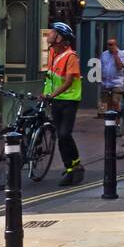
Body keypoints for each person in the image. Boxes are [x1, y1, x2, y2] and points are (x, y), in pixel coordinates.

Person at [42, 23, 85, 185]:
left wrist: (51, 95)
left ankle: (77, 165)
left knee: (64, 134)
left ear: (59, 37)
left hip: (69, 100)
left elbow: (67, 82)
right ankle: (70, 168)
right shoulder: (52, 52)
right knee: (60, 137)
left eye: (53, 32)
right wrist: (45, 94)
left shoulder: (71, 56)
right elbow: (50, 77)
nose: (49, 34)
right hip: (56, 100)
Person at [99, 37, 124, 114]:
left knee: (115, 101)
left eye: (111, 44)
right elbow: (102, 67)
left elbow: (120, 67)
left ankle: (117, 122)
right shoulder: (104, 54)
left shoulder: (122, 54)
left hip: (117, 83)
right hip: (106, 83)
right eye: (108, 44)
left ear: (115, 45)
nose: (109, 46)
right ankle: (109, 123)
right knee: (107, 104)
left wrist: (115, 55)